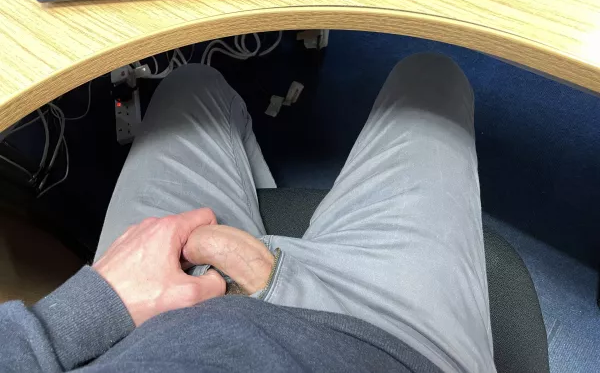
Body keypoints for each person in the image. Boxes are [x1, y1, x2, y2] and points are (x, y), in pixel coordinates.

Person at [0, 53, 496, 372]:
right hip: (388, 345)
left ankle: (258, 210)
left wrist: (83, 311)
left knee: (191, 85)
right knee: (431, 81)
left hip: (139, 323)